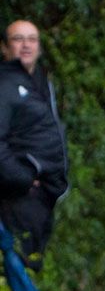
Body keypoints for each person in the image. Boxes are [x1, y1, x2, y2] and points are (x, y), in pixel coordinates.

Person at [0, 20, 68, 271]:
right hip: (16, 198)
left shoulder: (40, 81)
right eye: (18, 39)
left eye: (32, 39)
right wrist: (23, 178)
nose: (26, 45)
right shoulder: (5, 84)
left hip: (42, 197)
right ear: (5, 48)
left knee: (32, 267)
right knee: (17, 271)